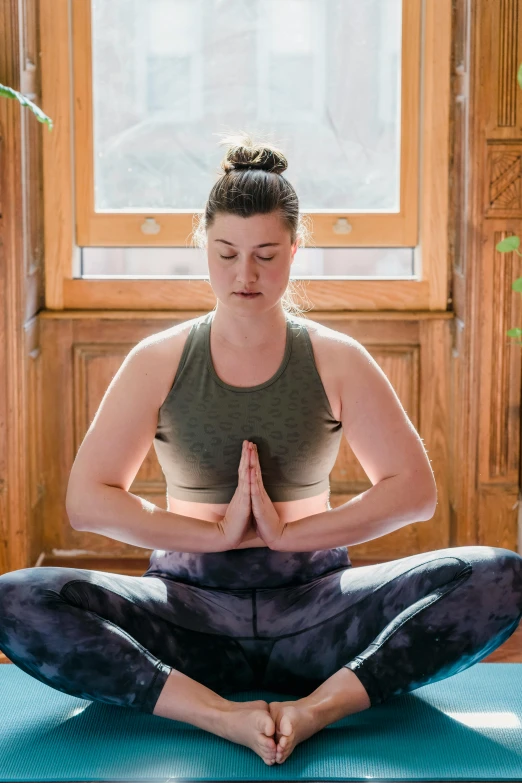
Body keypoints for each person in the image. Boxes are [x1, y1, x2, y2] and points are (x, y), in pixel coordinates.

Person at [0, 132, 521, 768]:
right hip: (187, 612)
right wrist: (213, 537)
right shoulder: (157, 361)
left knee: (500, 575)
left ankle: (317, 709)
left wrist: (292, 536)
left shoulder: (337, 359)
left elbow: (414, 491)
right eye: (227, 254)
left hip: (319, 610)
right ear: (205, 249)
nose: (245, 275)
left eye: (267, 255)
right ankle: (218, 714)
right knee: (17, 597)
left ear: (296, 249)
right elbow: (88, 500)